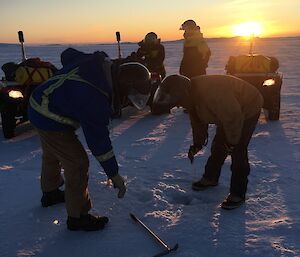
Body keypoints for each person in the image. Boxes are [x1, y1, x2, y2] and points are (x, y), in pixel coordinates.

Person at [28, 48, 151, 231]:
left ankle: (51, 192)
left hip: (38, 102)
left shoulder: (97, 65)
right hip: (49, 116)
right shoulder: (94, 98)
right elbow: (99, 143)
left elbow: (67, 54)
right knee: (77, 163)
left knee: (53, 154)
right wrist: (114, 174)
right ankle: (78, 217)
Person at [152, 74, 263, 209]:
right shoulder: (191, 97)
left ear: (184, 94)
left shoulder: (214, 94)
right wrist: (198, 144)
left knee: (238, 150)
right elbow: (198, 121)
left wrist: (232, 143)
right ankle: (210, 178)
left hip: (248, 105)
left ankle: (238, 193)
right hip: (228, 111)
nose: (179, 106)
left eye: (179, 102)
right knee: (219, 145)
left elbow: (233, 119)